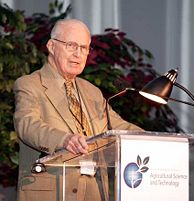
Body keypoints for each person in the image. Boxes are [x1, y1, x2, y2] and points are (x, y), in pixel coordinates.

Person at [13, 19, 142, 201]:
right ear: (51, 46)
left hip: (94, 192)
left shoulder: (92, 91)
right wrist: (64, 140)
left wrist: (152, 140)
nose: (78, 54)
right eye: (71, 45)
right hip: (53, 193)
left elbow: (118, 126)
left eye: (84, 48)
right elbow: (27, 125)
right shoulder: (30, 84)